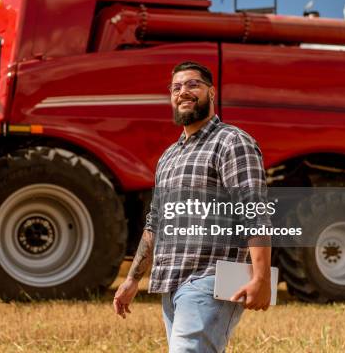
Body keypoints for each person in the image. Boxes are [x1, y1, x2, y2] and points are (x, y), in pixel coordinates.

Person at [113, 61, 272, 353]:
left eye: (192, 85)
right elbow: (155, 223)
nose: (183, 92)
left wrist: (261, 277)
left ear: (211, 92)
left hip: (209, 279)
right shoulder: (169, 156)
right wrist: (132, 281)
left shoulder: (231, 142)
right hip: (171, 283)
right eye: (176, 87)